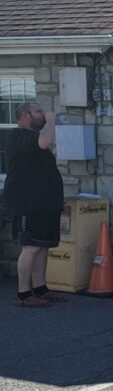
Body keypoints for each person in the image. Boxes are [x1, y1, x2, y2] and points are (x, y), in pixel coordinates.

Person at [4, 102, 65, 307]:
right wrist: (51, 120)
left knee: (42, 245)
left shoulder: (32, 138)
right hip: (27, 203)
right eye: (38, 111)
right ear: (24, 116)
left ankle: (40, 288)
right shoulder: (20, 136)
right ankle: (23, 294)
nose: (43, 114)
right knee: (30, 247)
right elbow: (44, 141)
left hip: (45, 203)